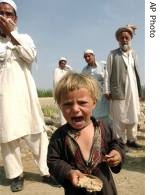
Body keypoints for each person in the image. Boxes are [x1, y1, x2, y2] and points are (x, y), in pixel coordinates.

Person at [0, 0, 58, 192]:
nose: (4, 17)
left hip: (25, 94)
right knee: (8, 136)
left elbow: (30, 55)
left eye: (8, 14)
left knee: (37, 132)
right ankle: (16, 175)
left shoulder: (23, 37)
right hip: (3, 96)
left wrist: (11, 34)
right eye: (1, 13)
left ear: (15, 18)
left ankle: (48, 171)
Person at [47, 72, 125, 195]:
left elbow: (117, 144)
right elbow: (53, 161)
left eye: (82, 103)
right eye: (67, 104)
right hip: (76, 191)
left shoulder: (104, 128)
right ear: (60, 106)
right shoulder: (59, 137)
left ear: (94, 102)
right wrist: (68, 172)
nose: (75, 109)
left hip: (105, 189)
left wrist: (117, 154)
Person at [104, 24, 142, 149]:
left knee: (133, 115)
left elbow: (136, 73)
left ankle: (131, 139)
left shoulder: (134, 54)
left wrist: (140, 91)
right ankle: (120, 142)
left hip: (133, 90)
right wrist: (107, 89)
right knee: (119, 117)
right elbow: (107, 73)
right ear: (118, 40)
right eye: (122, 38)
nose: (124, 40)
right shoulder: (112, 54)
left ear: (130, 39)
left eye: (127, 37)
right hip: (118, 90)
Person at [82, 49, 109, 128]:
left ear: (93, 56)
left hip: (104, 95)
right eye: (85, 57)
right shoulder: (84, 70)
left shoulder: (103, 65)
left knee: (107, 116)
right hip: (92, 95)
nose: (87, 58)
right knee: (95, 115)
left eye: (89, 56)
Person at [53, 57, 72, 125]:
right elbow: (56, 82)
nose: (63, 64)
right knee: (62, 109)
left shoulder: (66, 71)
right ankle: (63, 125)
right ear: (59, 63)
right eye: (62, 62)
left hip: (67, 92)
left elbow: (71, 74)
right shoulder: (56, 70)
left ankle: (68, 124)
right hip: (60, 92)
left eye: (64, 63)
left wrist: (68, 67)